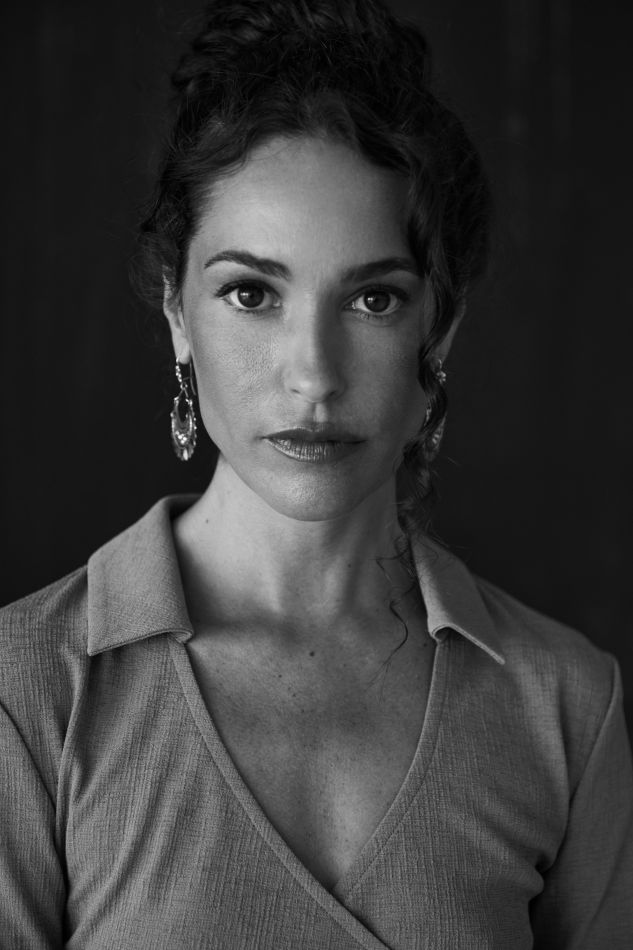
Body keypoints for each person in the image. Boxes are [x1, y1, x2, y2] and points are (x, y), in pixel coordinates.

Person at [1, 0, 632, 947]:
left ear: (439, 330)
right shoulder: (25, 692)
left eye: (373, 299)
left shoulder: (566, 703)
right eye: (250, 292)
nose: (313, 375)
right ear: (176, 311)